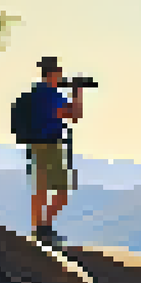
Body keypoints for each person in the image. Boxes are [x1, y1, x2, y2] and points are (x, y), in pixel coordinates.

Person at [28, 56, 84, 245]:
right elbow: (74, 115)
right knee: (62, 191)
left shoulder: (36, 93)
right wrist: (77, 92)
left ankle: (38, 230)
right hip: (51, 145)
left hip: (35, 145)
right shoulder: (52, 95)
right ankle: (44, 229)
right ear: (54, 73)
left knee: (41, 190)